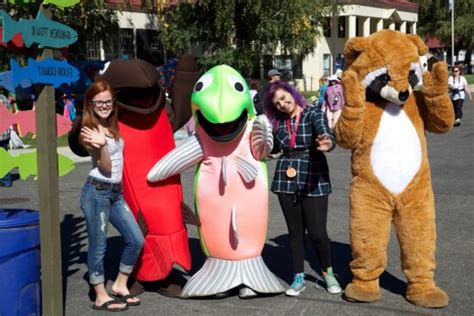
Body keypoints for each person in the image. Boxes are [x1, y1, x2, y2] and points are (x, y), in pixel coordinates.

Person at [263, 80, 342, 296]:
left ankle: (328, 273)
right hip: (285, 178)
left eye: (283, 97)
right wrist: (264, 152)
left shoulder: (312, 113)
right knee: (295, 233)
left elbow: (326, 134)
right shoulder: (277, 122)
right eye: (277, 103)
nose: (282, 104)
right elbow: (275, 148)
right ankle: (298, 276)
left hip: (313, 174)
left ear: (291, 93)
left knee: (317, 233)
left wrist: (328, 143)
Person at [79, 80, 144, 312]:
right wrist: (103, 146)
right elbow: (105, 167)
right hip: (96, 192)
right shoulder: (89, 130)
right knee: (98, 246)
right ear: (91, 104)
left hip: (116, 194)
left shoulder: (111, 126)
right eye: (99, 102)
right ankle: (99, 295)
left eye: (108, 101)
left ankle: (120, 284)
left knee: (136, 239)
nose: (105, 105)